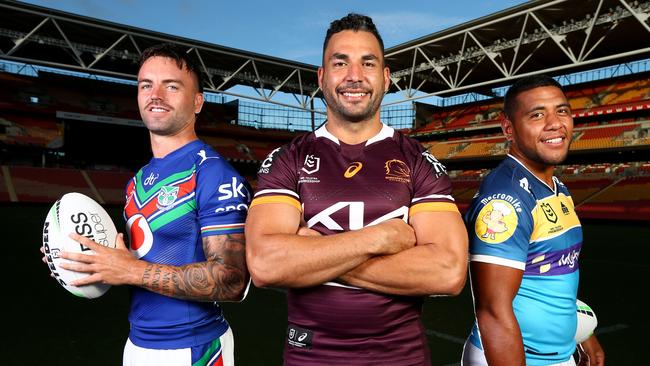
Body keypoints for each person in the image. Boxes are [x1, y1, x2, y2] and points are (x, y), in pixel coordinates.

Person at [245, 13, 468, 365]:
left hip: (402, 358)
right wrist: (377, 240)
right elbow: (265, 265)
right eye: (340, 63)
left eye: (368, 63)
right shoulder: (288, 158)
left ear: (385, 77)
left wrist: (315, 251)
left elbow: (448, 271)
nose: (354, 76)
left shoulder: (418, 160)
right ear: (321, 77)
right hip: (310, 358)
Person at [50, 44, 250, 366]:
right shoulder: (138, 181)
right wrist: (77, 256)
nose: (156, 94)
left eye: (171, 86)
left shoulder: (212, 173)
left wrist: (129, 269)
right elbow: (137, 262)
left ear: (198, 102)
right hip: (137, 345)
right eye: (146, 85)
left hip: (194, 348)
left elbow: (231, 279)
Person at [461, 75, 605, 366]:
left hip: (559, 356)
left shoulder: (557, 188)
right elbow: (494, 313)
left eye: (561, 111)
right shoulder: (505, 200)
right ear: (508, 129)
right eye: (537, 114)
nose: (555, 123)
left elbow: (553, 276)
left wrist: (583, 335)